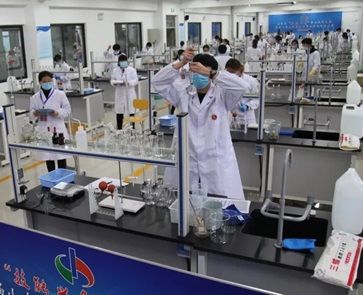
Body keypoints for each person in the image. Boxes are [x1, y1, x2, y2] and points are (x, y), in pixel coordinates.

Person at [153, 49, 248, 199]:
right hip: (187, 161)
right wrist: (181, 63)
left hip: (215, 164)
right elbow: (157, 82)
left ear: (211, 74)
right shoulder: (183, 93)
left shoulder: (223, 95)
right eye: (195, 72)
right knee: (184, 205)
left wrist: (212, 74)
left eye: (202, 72)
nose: (198, 76)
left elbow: (242, 87)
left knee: (217, 206)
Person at [30, 71, 72, 172]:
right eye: (44, 82)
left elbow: (67, 111)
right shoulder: (35, 97)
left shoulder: (60, 94)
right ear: (40, 82)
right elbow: (31, 114)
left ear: (52, 81)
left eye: (49, 81)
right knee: (48, 158)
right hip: (44, 130)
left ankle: (63, 179)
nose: (47, 83)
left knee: (61, 157)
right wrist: (35, 113)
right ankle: (51, 178)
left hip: (58, 129)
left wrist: (57, 113)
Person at [111, 54, 139, 129]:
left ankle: (132, 129)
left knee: (131, 112)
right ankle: (119, 130)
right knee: (119, 112)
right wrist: (116, 83)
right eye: (121, 61)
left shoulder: (132, 70)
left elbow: (136, 81)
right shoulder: (115, 70)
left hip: (129, 93)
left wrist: (128, 83)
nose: (123, 63)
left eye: (124, 61)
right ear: (119, 62)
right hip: (120, 94)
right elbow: (112, 80)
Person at [230, 59, 260, 127]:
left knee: (249, 132)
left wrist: (247, 106)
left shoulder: (251, 81)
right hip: (232, 114)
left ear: (241, 71)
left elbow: (257, 99)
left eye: (236, 74)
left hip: (247, 115)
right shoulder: (228, 80)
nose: (234, 77)